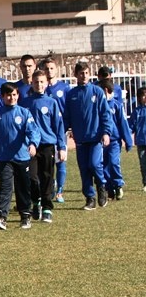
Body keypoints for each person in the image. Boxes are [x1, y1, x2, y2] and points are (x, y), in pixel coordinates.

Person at [0, 83, 39, 230]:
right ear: (2, 96)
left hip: (22, 157)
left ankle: (25, 216)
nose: (12, 98)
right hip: (4, 158)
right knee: (5, 186)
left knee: (23, 187)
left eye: (14, 95)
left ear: (18, 96)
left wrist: (33, 144)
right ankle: (1, 217)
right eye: (8, 95)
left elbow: (33, 131)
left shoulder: (24, 113)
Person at [63, 61, 112, 211]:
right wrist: (64, 130)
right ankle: (90, 198)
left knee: (94, 164)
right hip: (80, 139)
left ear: (89, 74)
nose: (84, 76)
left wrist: (106, 133)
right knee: (84, 169)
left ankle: (101, 186)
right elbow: (67, 116)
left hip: (96, 137)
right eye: (80, 73)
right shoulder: (71, 94)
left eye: (86, 73)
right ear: (76, 75)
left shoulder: (97, 92)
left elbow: (105, 114)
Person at [20, 70, 66, 224]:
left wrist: (62, 147)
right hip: (31, 146)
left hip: (47, 145)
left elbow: (58, 126)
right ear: (31, 83)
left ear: (46, 83)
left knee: (46, 176)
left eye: (41, 82)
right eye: (36, 82)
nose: (39, 85)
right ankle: (35, 202)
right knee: (32, 177)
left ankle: (47, 208)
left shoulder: (52, 103)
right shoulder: (25, 103)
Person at [41, 57, 70, 203]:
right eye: (46, 68)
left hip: (60, 130)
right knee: (47, 163)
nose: (49, 71)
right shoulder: (41, 88)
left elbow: (69, 109)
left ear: (56, 69)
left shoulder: (64, 88)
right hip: (45, 132)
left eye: (51, 68)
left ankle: (60, 191)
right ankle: (50, 187)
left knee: (61, 160)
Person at [99, 78, 133, 200]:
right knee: (103, 166)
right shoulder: (97, 106)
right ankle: (109, 189)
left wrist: (128, 141)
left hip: (114, 141)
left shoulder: (116, 105)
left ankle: (118, 185)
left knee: (113, 163)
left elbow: (123, 123)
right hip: (101, 141)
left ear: (105, 90)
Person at [128, 87, 146, 192]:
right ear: (139, 98)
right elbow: (131, 126)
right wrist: (126, 135)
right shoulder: (137, 112)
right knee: (143, 164)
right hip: (141, 141)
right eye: (143, 95)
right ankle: (145, 183)